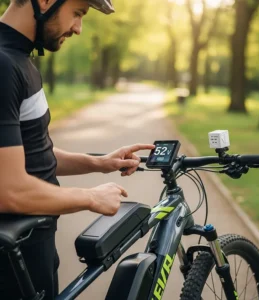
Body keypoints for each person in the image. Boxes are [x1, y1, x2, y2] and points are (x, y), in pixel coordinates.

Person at [0, 0, 155, 299]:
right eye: (78, 13)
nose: (78, 28)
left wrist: (99, 162)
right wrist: (91, 197)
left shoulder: (18, 59)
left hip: (31, 249)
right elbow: (9, 189)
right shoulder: (4, 66)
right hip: (11, 267)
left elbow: (30, 155)